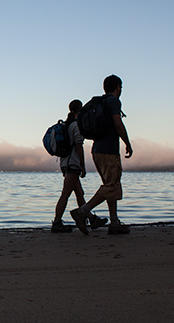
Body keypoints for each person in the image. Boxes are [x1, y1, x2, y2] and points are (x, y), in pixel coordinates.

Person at [71, 74, 132, 235]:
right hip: (109, 150)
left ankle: (114, 222)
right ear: (118, 87)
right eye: (121, 87)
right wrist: (127, 143)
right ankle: (82, 212)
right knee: (111, 185)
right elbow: (118, 124)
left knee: (110, 185)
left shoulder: (100, 102)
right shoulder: (113, 101)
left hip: (97, 150)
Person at [51, 99, 108, 233]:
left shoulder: (68, 124)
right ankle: (57, 222)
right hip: (73, 164)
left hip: (65, 163)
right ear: (80, 109)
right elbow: (78, 146)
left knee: (79, 194)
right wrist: (83, 166)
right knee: (65, 194)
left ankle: (91, 219)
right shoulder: (76, 126)